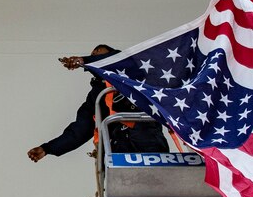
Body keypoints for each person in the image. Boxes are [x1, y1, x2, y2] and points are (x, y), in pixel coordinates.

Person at [28, 44, 168, 163]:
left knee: (160, 182)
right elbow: (80, 129)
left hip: (147, 139)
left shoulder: (128, 71)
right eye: (93, 54)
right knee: (123, 188)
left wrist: (86, 60)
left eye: (98, 52)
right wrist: (48, 148)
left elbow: (114, 59)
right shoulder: (96, 97)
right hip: (118, 149)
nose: (94, 53)